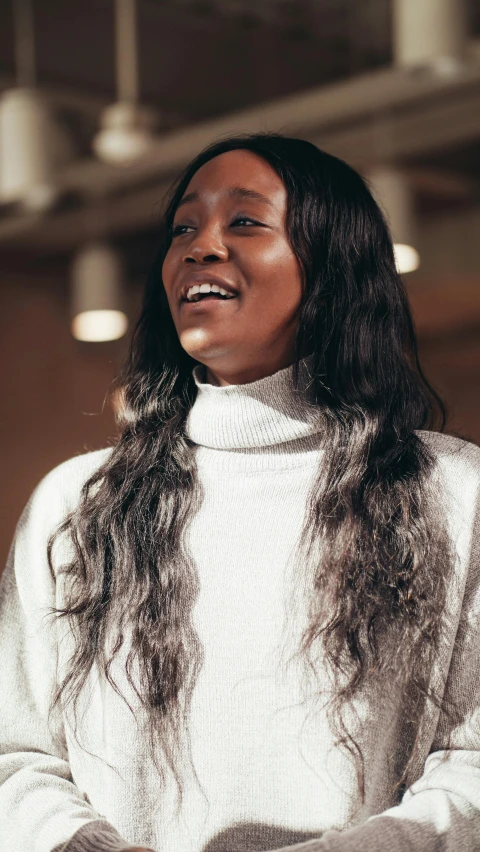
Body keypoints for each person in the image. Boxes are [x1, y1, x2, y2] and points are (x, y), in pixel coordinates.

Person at [1, 133, 479, 852]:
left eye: (246, 222)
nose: (200, 247)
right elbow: (18, 756)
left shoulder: (454, 492)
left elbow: (471, 760)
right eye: (183, 228)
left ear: (332, 264)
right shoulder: (76, 505)